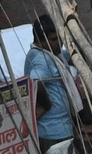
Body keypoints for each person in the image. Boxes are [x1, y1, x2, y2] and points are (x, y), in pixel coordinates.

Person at [24, 14, 76, 146]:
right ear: (39, 41)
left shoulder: (51, 54)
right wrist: (46, 106)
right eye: (53, 39)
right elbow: (36, 83)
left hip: (59, 127)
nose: (59, 43)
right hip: (54, 131)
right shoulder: (41, 59)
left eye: (60, 37)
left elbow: (69, 57)